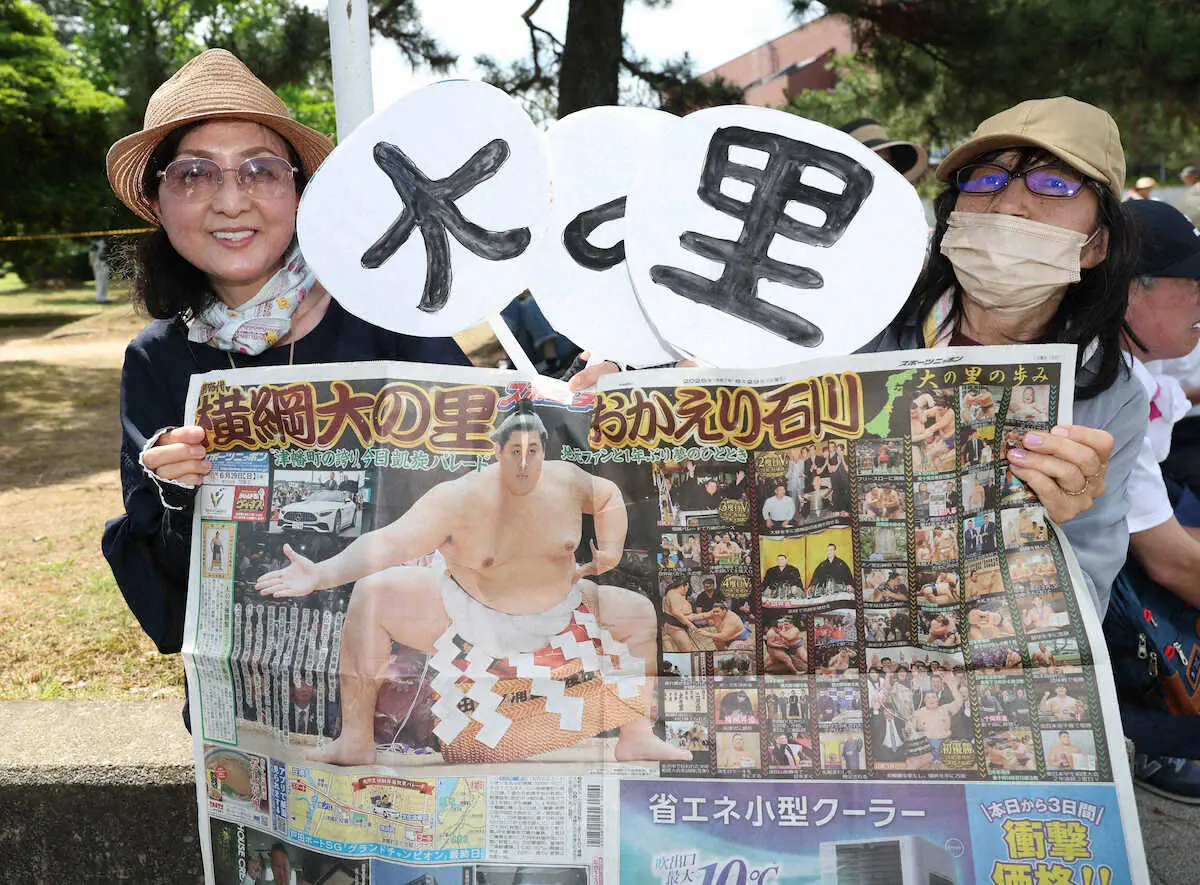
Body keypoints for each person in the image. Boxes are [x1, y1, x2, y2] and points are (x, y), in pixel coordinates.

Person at [99, 49, 469, 714]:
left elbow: (487, 459)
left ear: (299, 190)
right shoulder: (156, 362)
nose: (231, 200)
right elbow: (172, 595)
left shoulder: (383, 313)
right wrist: (172, 495)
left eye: (260, 170)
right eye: (194, 175)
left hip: (412, 687)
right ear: (157, 201)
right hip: (260, 708)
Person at [258, 411, 688, 764]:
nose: (523, 464)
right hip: (467, 616)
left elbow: (608, 495)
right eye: (514, 452)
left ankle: (636, 735)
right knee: (372, 594)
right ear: (495, 452)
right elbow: (388, 542)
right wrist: (320, 574)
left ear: (544, 452)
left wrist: (610, 549)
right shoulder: (456, 499)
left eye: (532, 452)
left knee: (636, 612)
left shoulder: (567, 481)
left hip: (561, 613)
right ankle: (354, 740)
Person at [862, 97, 1144, 615]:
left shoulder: (1115, 396)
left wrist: (1060, 524)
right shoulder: (867, 327)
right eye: (986, 179)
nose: (1010, 202)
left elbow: (1089, 591)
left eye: (1055, 184)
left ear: (1097, 244)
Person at [1101, 199, 1200, 800]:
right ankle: (1147, 739)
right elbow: (1167, 559)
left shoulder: (1123, 369)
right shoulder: (1108, 384)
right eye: (1192, 284)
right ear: (1131, 291)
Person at [88, 238, 111, 303]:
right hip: (99, 266)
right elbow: (92, 255)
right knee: (100, 282)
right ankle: (99, 298)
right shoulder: (95, 245)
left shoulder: (105, 244)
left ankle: (104, 297)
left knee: (105, 282)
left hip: (104, 265)